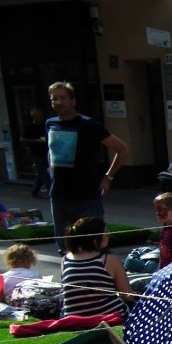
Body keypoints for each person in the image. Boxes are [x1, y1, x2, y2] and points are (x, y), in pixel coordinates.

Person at [46, 81, 131, 252]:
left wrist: (108, 177)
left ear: (73, 101)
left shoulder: (88, 125)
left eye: (63, 98)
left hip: (86, 195)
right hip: (59, 195)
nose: (59, 102)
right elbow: (50, 151)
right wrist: (51, 171)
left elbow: (122, 150)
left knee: (94, 244)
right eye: (54, 99)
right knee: (65, 246)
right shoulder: (50, 124)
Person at [61, 216, 132, 318]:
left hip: (73, 320)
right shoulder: (108, 259)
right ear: (95, 240)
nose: (108, 236)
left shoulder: (65, 259)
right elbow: (126, 294)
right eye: (106, 234)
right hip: (108, 317)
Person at [20, 108, 50, 198]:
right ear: (35, 117)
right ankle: (51, 191)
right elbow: (22, 139)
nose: (41, 117)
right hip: (35, 153)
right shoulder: (30, 127)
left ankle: (35, 191)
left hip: (45, 152)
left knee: (41, 173)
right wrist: (36, 140)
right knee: (43, 172)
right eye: (39, 116)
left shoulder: (44, 125)